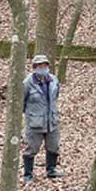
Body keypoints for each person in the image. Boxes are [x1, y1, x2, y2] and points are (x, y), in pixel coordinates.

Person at [22, 54, 63, 183]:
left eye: (45, 65)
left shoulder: (54, 80)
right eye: (40, 66)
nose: (43, 68)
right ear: (34, 68)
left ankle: (51, 170)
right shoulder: (27, 83)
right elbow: (22, 102)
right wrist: (30, 115)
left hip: (52, 120)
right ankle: (28, 174)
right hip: (35, 122)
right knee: (31, 148)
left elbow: (56, 96)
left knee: (53, 146)